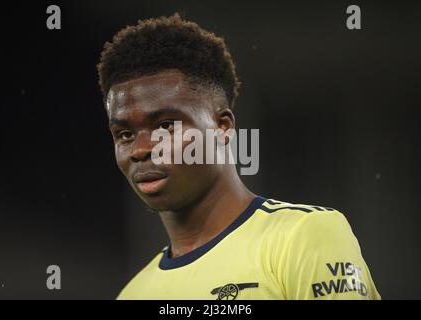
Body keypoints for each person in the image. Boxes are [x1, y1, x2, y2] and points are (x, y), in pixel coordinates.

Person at [97, 13, 380, 300]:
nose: (141, 149)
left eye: (166, 126)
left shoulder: (302, 236)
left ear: (222, 127)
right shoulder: (133, 294)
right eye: (125, 134)